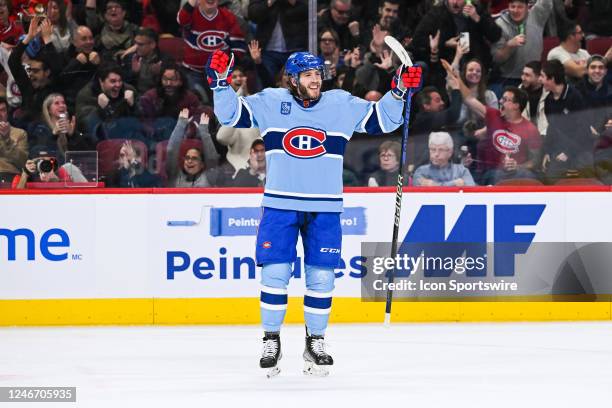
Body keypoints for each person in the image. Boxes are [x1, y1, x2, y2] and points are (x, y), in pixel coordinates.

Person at [207, 49, 422, 376]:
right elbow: (231, 116)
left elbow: (384, 119)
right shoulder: (272, 101)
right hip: (280, 204)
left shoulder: (339, 104)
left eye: (318, 73)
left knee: (321, 277)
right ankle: (271, 340)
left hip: (325, 207)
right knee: (275, 275)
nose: (315, 79)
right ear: (292, 79)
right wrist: (220, 84)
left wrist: (398, 91)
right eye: (308, 74)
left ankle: (315, 342)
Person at [442, 59, 542, 184]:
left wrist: (518, 166)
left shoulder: (530, 129)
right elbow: (469, 98)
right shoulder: (494, 115)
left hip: (516, 173)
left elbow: (535, 161)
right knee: (495, 175)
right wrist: (456, 77)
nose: (500, 101)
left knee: (530, 177)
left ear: (516, 105)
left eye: (505, 99)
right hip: (491, 172)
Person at [178, 0, 246, 103]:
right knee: (196, 101)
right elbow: (181, 20)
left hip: (219, 73)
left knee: (221, 104)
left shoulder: (228, 16)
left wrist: (227, 67)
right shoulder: (191, 15)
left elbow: (238, 46)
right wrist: (191, 2)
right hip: (193, 71)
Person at [540, 59, 592, 180]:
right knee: (549, 175)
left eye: (542, 76)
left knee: (585, 169)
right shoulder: (548, 101)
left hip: (580, 148)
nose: (540, 80)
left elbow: (583, 129)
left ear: (551, 79)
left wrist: (568, 152)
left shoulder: (575, 97)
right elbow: (552, 128)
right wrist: (547, 151)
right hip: (560, 148)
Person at [491, 0, 553, 94]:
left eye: (520, 7)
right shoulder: (500, 24)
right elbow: (497, 58)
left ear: (527, 7)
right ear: (508, 7)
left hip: (535, 77)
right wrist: (509, 45)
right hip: (509, 78)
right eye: (513, 6)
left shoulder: (536, 16)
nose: (516, 10)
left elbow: (547, 2)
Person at [166, 109, 219, 187]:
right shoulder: (175, 176)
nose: (189, 161)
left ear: (202, 164)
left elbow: (212, 158)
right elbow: (171, 151)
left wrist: (204, 131)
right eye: (187, 158)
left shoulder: (208, 177)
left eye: (194, 158)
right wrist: (181, 124)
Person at [0, 97, 28, 183]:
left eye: (2, 110)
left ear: (7, 113)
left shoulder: (20, 133)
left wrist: (7, 139)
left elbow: (22, 162)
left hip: (10, 177)